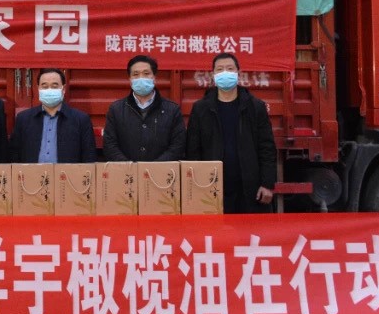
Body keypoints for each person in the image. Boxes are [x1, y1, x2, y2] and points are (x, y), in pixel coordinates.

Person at [185, 51, 276, 214]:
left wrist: (267, 184)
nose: (225, 73)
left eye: (229, 68)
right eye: (220, 69)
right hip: (212, 187)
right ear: (213, 75)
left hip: (249, 187)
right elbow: (193, 151)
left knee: (250, 229)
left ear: (238, 73)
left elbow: (267, 147)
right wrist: (196, 185)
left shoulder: (255, 107)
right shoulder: (201, 108)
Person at [102, 54, 185, 162]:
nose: (141, 78)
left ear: (154, 78)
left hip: (161, 171)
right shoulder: (116, 110)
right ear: (130, 79)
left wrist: (154, 168)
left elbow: (177, 146)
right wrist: (130, 167)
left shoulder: (172, 110)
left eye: (146, 73)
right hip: (126, 171)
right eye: (136, 74)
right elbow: (110, 145)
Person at [8, 68, 95, 163]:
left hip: (68, 173)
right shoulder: (23, 119)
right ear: (38, 89)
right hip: (31, 172)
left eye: (54, 86)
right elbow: (14, 155)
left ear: (63, 89)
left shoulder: (81, 120)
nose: (49, 90)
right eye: (44, 86)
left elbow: (89, 157)